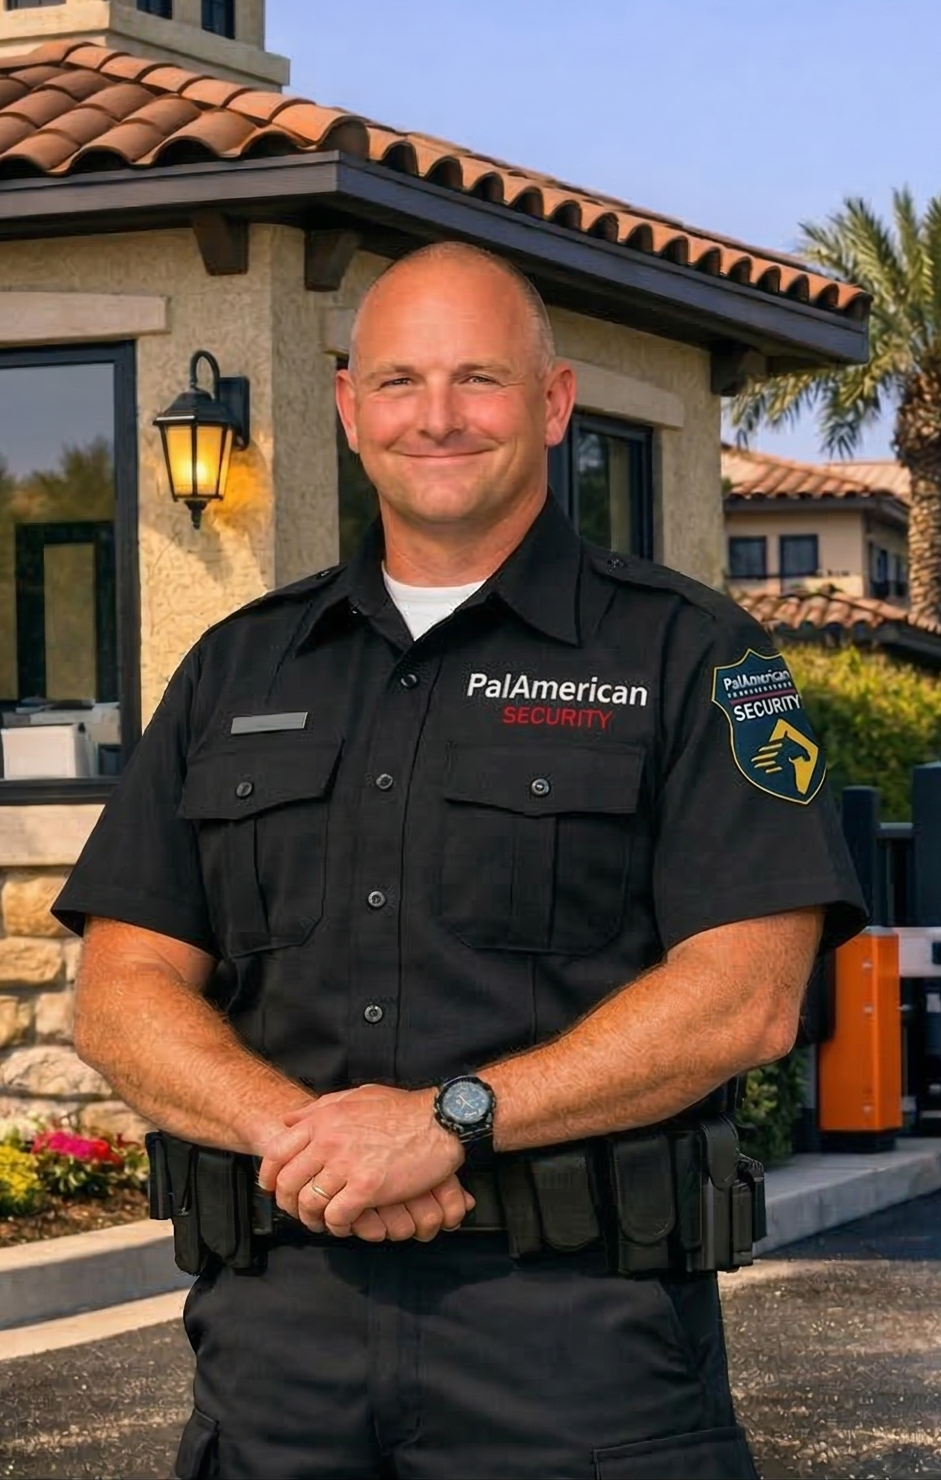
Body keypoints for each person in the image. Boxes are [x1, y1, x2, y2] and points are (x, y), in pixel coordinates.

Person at [55, 240, 866, 1480]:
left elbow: (746, 994)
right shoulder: (238, 666)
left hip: (579, 1357)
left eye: (478, 378)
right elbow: (119, 992)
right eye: (398, 381)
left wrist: (450, 1121)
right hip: (278, 1355)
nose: (435, 416)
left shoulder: (693, 654)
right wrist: (309, 1139)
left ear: (552, 403)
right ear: (348, 408)